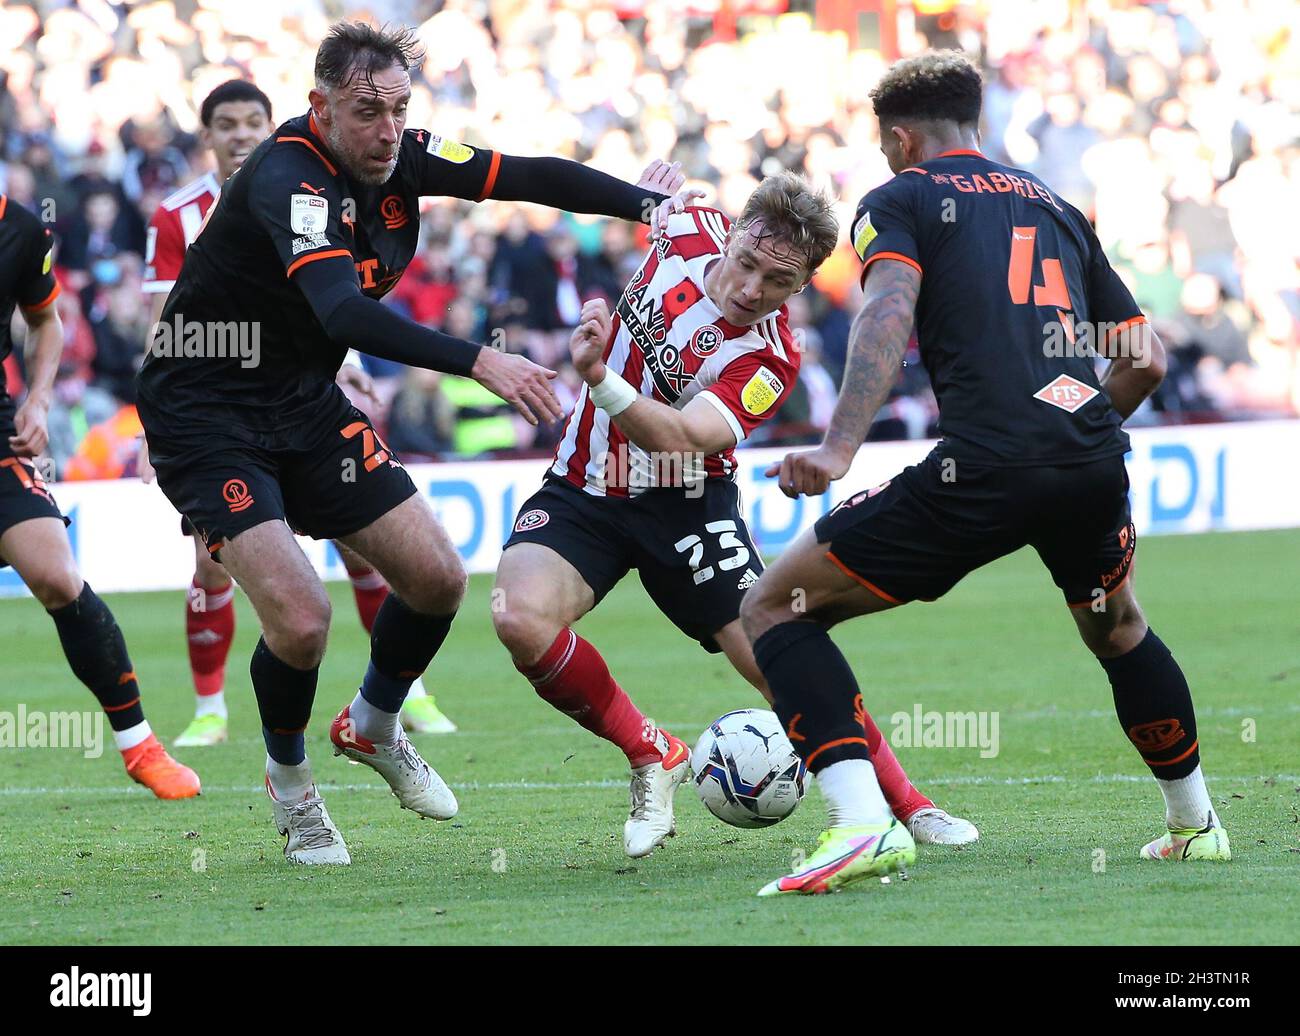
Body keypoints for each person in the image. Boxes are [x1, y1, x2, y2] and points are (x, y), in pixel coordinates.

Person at [135, 22, 693, 865]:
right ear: (319, 106)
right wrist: (479, 360)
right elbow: (343, 313)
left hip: (301, 400)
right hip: (205, 413)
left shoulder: (403, 153)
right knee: (303, 619)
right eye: (367, 111)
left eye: (399, 109)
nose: (388, 129)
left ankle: (375, 725)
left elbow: (525, 175)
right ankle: (292, 791)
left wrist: (646, 205)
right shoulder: (288, 177)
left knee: (436, 578)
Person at [740, 52, 1229, 897]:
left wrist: (837, 451)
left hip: (984, 468)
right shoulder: (1058, 206)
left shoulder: (901, 200)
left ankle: (862, 825)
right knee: (1119, 630)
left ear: (900, 139)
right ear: (976, 123)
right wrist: (1073, 416)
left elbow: (886, 311)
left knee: (774, 607)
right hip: (1089, 462)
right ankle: (1195, 825)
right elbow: (1143, 360)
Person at [493, 174, 977, 859]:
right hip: (586, 485)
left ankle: (909, 807)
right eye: (748, 264)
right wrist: (652, 187)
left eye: (778, 282)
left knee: (779, 655)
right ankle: (652, 752)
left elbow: (685, 439)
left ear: (804, 285)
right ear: (736, 232)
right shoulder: (686, 226)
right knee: (518, 615)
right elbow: (652, 201)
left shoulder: (769, 358)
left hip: (687, 503)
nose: (752, 289)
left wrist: (601, 378)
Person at [138, 78, 457, 747]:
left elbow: (334, 298)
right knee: (212, 566)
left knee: (372, 551)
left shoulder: (313, 188)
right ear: (208, 136)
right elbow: (164, 324)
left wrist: (348, 366)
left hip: (305, 398)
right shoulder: (178, 213)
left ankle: (406, 695)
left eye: (254, 120)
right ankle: (210, 708)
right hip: (212, 412)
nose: (242, 134)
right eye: (227, 124)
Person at [0, 193, 199, 799]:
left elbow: (46, 321)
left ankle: (139, 746)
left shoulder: (20, 229)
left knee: (58, 575)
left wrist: (37, 399)